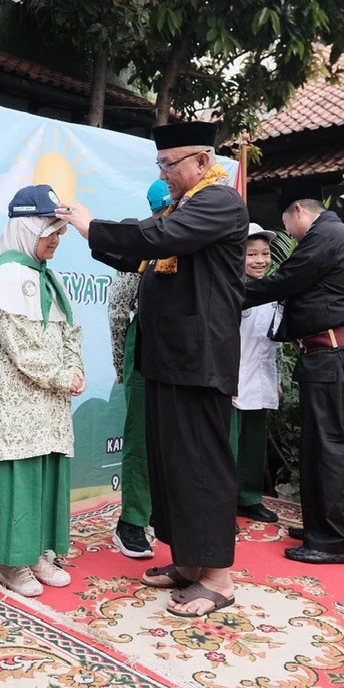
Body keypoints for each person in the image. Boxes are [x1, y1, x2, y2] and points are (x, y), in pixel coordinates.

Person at [61, 120, 247, 618]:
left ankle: (219, 578)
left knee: (201, 462)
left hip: (199, 356)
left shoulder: (220, 202)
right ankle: (189, 562)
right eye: (159, 165)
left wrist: (92, 224)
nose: (164, 174)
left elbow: (161, 237)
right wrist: (90, 236)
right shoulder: (179, 205)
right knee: (171, 462)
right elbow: (142, 254)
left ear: (203, 162)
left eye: (170, 164)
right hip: (167, 355)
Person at [244, 183, 344, 565]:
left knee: (328, 447)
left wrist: (226, 291)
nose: (287, 231)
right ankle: (322, 526)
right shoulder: (330, 235)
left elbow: (282, 281)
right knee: (318, 445)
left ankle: (336, 541)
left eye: (286, 223)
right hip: (330, 354)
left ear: (299, 211)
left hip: (336, 354)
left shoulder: (324, 236)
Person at [0, 184, 85, 596]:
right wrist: (63, 376)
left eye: (59, 232)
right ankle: (11, 562)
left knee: (44, 471)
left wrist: (74, 366)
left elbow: (71, 331)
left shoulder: (47, 278)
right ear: (26, 229)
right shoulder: (7, 275)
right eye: (49, 231)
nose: (56, 240)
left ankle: (38, 550)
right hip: (15, 398)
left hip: (50, 399)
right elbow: (22, 347)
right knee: (19, 474)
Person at [106, 179, 172, 559]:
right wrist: (121, 364)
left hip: (181, 350)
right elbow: (118, 310)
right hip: (145, 344)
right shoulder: (145, 245)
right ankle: (131, 522)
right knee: (142, 436)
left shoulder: (194, 236)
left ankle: (160, 516)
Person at [233, 223, 283, 525]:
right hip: (235, 378)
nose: (260, 260)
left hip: (262, 377)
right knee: (229, 445)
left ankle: (249, 498)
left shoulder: (275, 290)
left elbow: (274, 341)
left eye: (265, 254)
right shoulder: (232, 289)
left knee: (254, 444)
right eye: (252, 254)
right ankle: (223, 504)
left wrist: (275, 381)